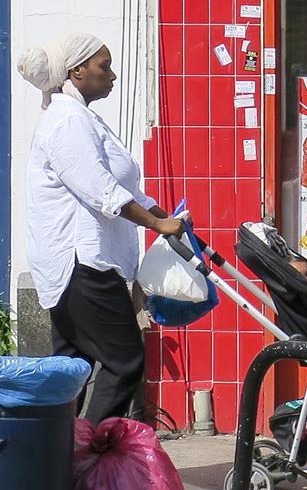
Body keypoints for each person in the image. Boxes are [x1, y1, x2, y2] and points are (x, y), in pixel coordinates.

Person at [17, 32, 186, 423]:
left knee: (71, 366)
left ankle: (57, 457)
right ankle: (86, 451)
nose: (111, 76)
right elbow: (101, 191)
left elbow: (125, 188)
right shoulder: (66, 121)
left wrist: (167, 220)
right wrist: (158, 223)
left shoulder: (83, 117)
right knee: (125, 360)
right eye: (103, 66)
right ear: (76, 72)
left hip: (88, 263)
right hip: (81, 264)